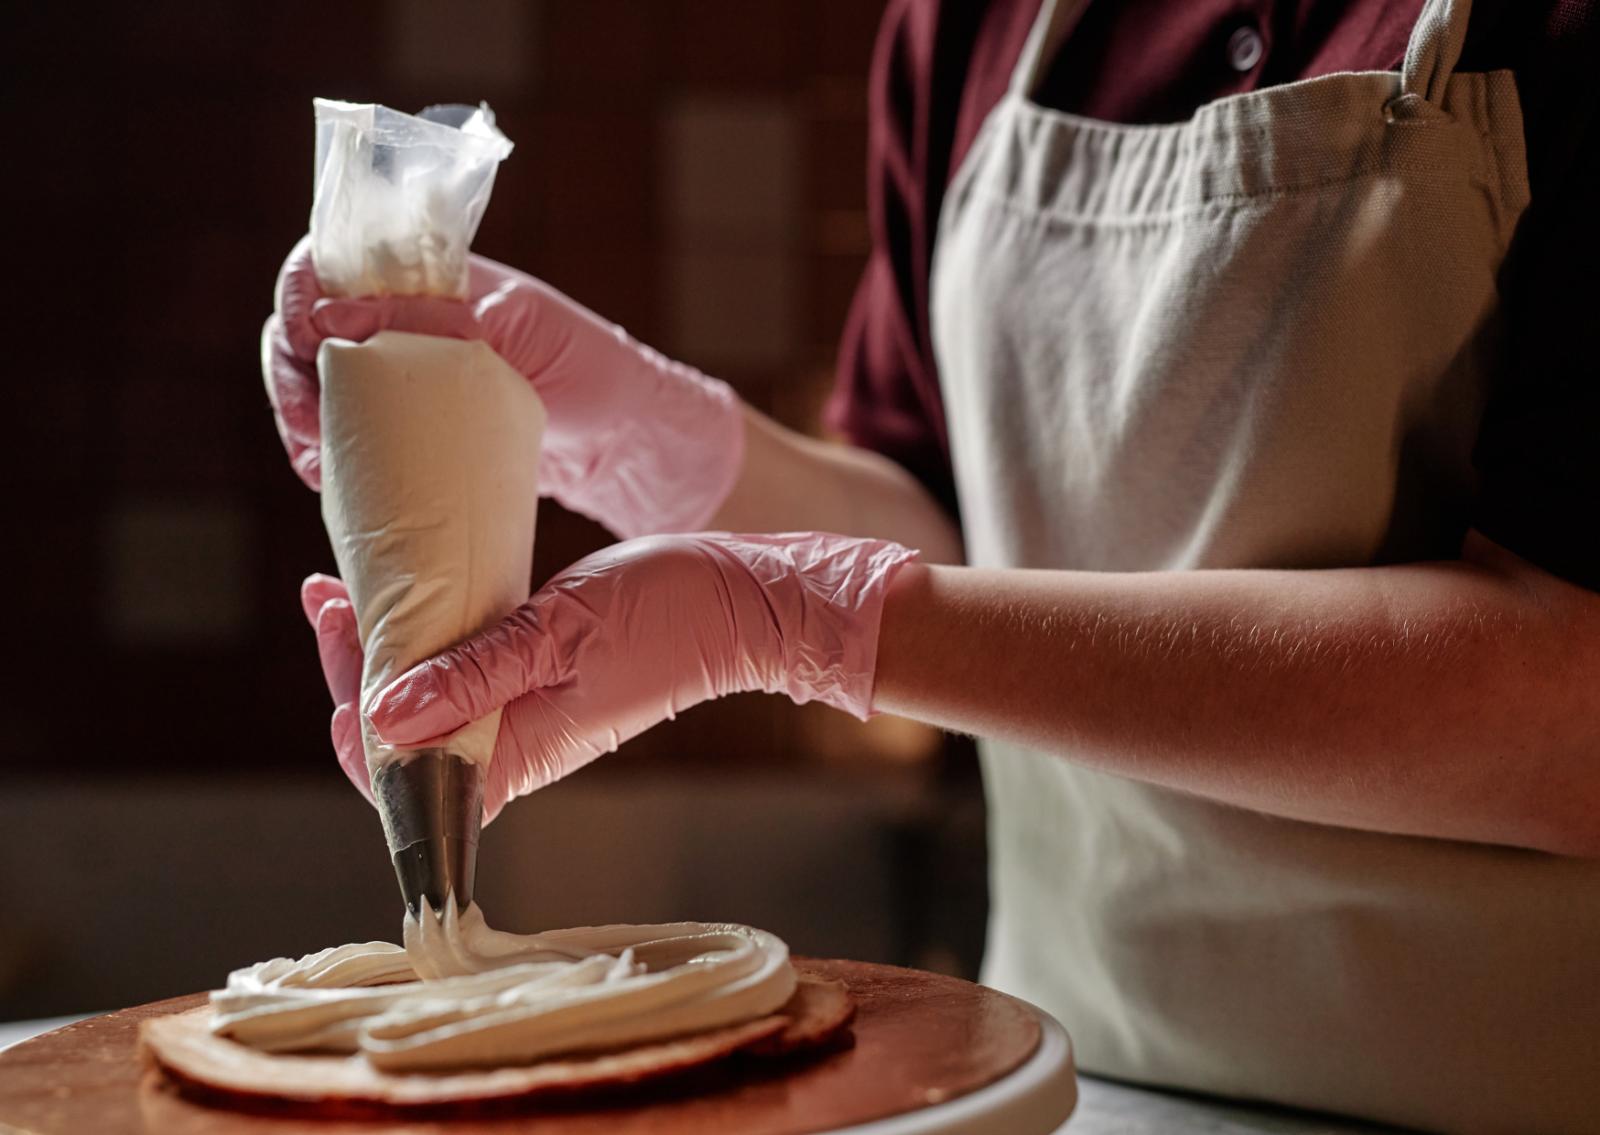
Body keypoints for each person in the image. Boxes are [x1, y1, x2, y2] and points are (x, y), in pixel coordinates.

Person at [262, 0, 1600, 1130]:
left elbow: (1575, 716)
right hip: (1072, 1086)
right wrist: (642, 439)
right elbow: (969, 558)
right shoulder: (976, 21)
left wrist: (793, 617)